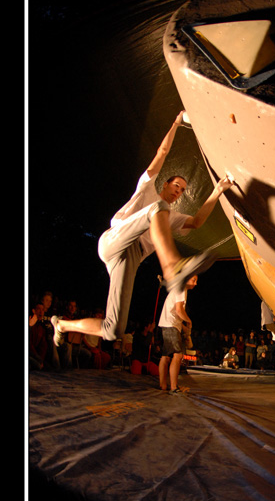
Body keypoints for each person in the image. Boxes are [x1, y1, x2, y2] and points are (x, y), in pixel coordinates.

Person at [51, 111, 233, 350]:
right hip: (115, 240)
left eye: (181, 190)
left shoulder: (171, 216)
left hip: (129, 259)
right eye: (176, 185)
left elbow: (197, 222)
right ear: (165, 183)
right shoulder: (147, 188)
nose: (178, 192)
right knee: (158, 208)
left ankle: (62, 325)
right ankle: (172, 267)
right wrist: (176, 122)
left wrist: (217, 191)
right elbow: (162, 153)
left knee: (114, 329)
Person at [159, 274, 198, 394]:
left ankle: (163, 385)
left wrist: (183, 327)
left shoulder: (179, 288)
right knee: (178, 355)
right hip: (171, 325)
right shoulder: (181, 289)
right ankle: (173, 386)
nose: (195, 283)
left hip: (168, 324)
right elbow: (179, 310)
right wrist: (189, 321)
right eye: (194, 280)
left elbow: (175, 312)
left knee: (166, 356)